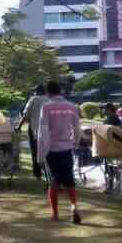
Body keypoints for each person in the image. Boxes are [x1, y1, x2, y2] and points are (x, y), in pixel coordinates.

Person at [37, 81, 82, 224]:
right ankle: (74, 206)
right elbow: (77, 128)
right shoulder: (72, 107)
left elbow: (43, 131)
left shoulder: (46, 107)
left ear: (48, 93)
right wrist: (75, 143)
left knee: (53, 182)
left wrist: (41, 153)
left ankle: (55, 214)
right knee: (69, 180)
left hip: (52, 149)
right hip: (67, 148)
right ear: (60, 90)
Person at [17, 85, 47, 179]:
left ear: (37, 91)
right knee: (47, 152)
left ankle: (37, 174)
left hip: (34, 129)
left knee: (35, 152)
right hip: (48, 130)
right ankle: (48, 172)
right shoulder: (49, 99)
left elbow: (25, 114)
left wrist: (19, 126)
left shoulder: (33, 99)